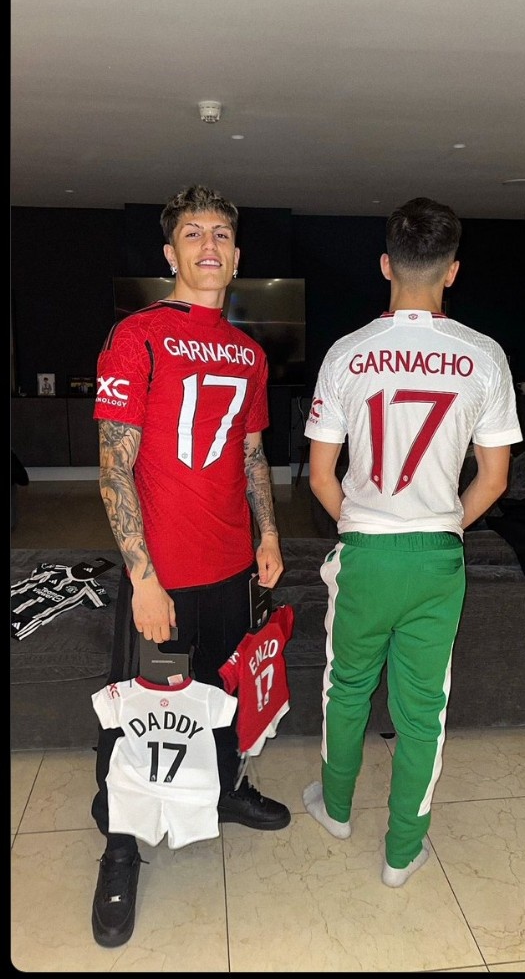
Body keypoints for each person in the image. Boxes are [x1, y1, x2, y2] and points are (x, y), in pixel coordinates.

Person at [301, 196, 522, 888]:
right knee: (422, 710)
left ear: (385, 265)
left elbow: (319, 475)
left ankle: (336, 809)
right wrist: (440, 526)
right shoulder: (484, 356)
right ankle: (401, 854)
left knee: (346, 686)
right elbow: (493, 479)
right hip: (436, 557)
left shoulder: (346, 353)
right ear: (451, 271)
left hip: (366, 552)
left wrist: (364, 526)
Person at [90, 184, 290, 949]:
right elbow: (114, 467)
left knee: (222, 692)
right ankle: (120, 847)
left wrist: (268, 534)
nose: (210, 245)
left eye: (222, 235)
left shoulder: (248, 352)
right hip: (164, 579)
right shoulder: (136, 335)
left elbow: (251, 452)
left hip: (231, 568)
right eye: (194, 233)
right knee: (145, 715)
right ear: (170, 253)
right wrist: (143, 580)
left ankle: (225, 788)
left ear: (236, 257)